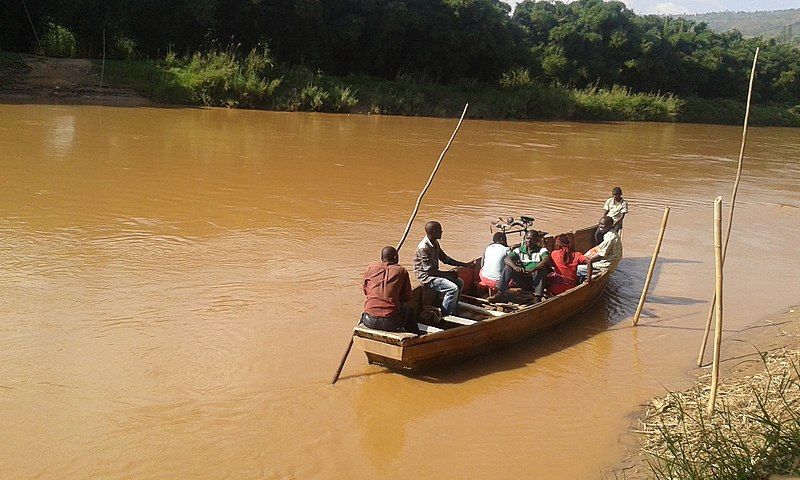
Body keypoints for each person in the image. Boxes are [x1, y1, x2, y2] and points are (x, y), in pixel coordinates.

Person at [413, 221, 473, 316]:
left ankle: (452, 307)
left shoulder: (435, 242)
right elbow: (430, 271)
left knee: (459, 282)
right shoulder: (423, 248)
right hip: (426, 277)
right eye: (439, 230)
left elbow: (445, 259)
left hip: (434, 274)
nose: (442, 232)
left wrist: (464, 264)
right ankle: (445, 314)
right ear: (433, 232)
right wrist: (448, 274)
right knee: (453, 288)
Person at [362, 246, 420, 334]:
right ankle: (416, 336)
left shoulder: (370, 268)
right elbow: (406, 297)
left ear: (382, 258)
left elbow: (365, 291)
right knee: (408, 310)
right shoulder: (401, 271)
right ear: (396, 258)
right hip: (390, 322)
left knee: (369, 308)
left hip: (368, 320)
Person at [494, 230, 550, 303]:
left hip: (535, 282)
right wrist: (515, 267)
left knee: (541, 270)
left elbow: (545, 259)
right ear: (524, 239)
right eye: (527, 238)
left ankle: (537, 297)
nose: (529, 241)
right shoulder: (519, 250)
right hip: (523, 281)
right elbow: (507, 259)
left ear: (537, 240)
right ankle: (500, 293)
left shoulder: (541, 250)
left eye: (532, 239)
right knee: (508, 267)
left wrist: (534, 269)